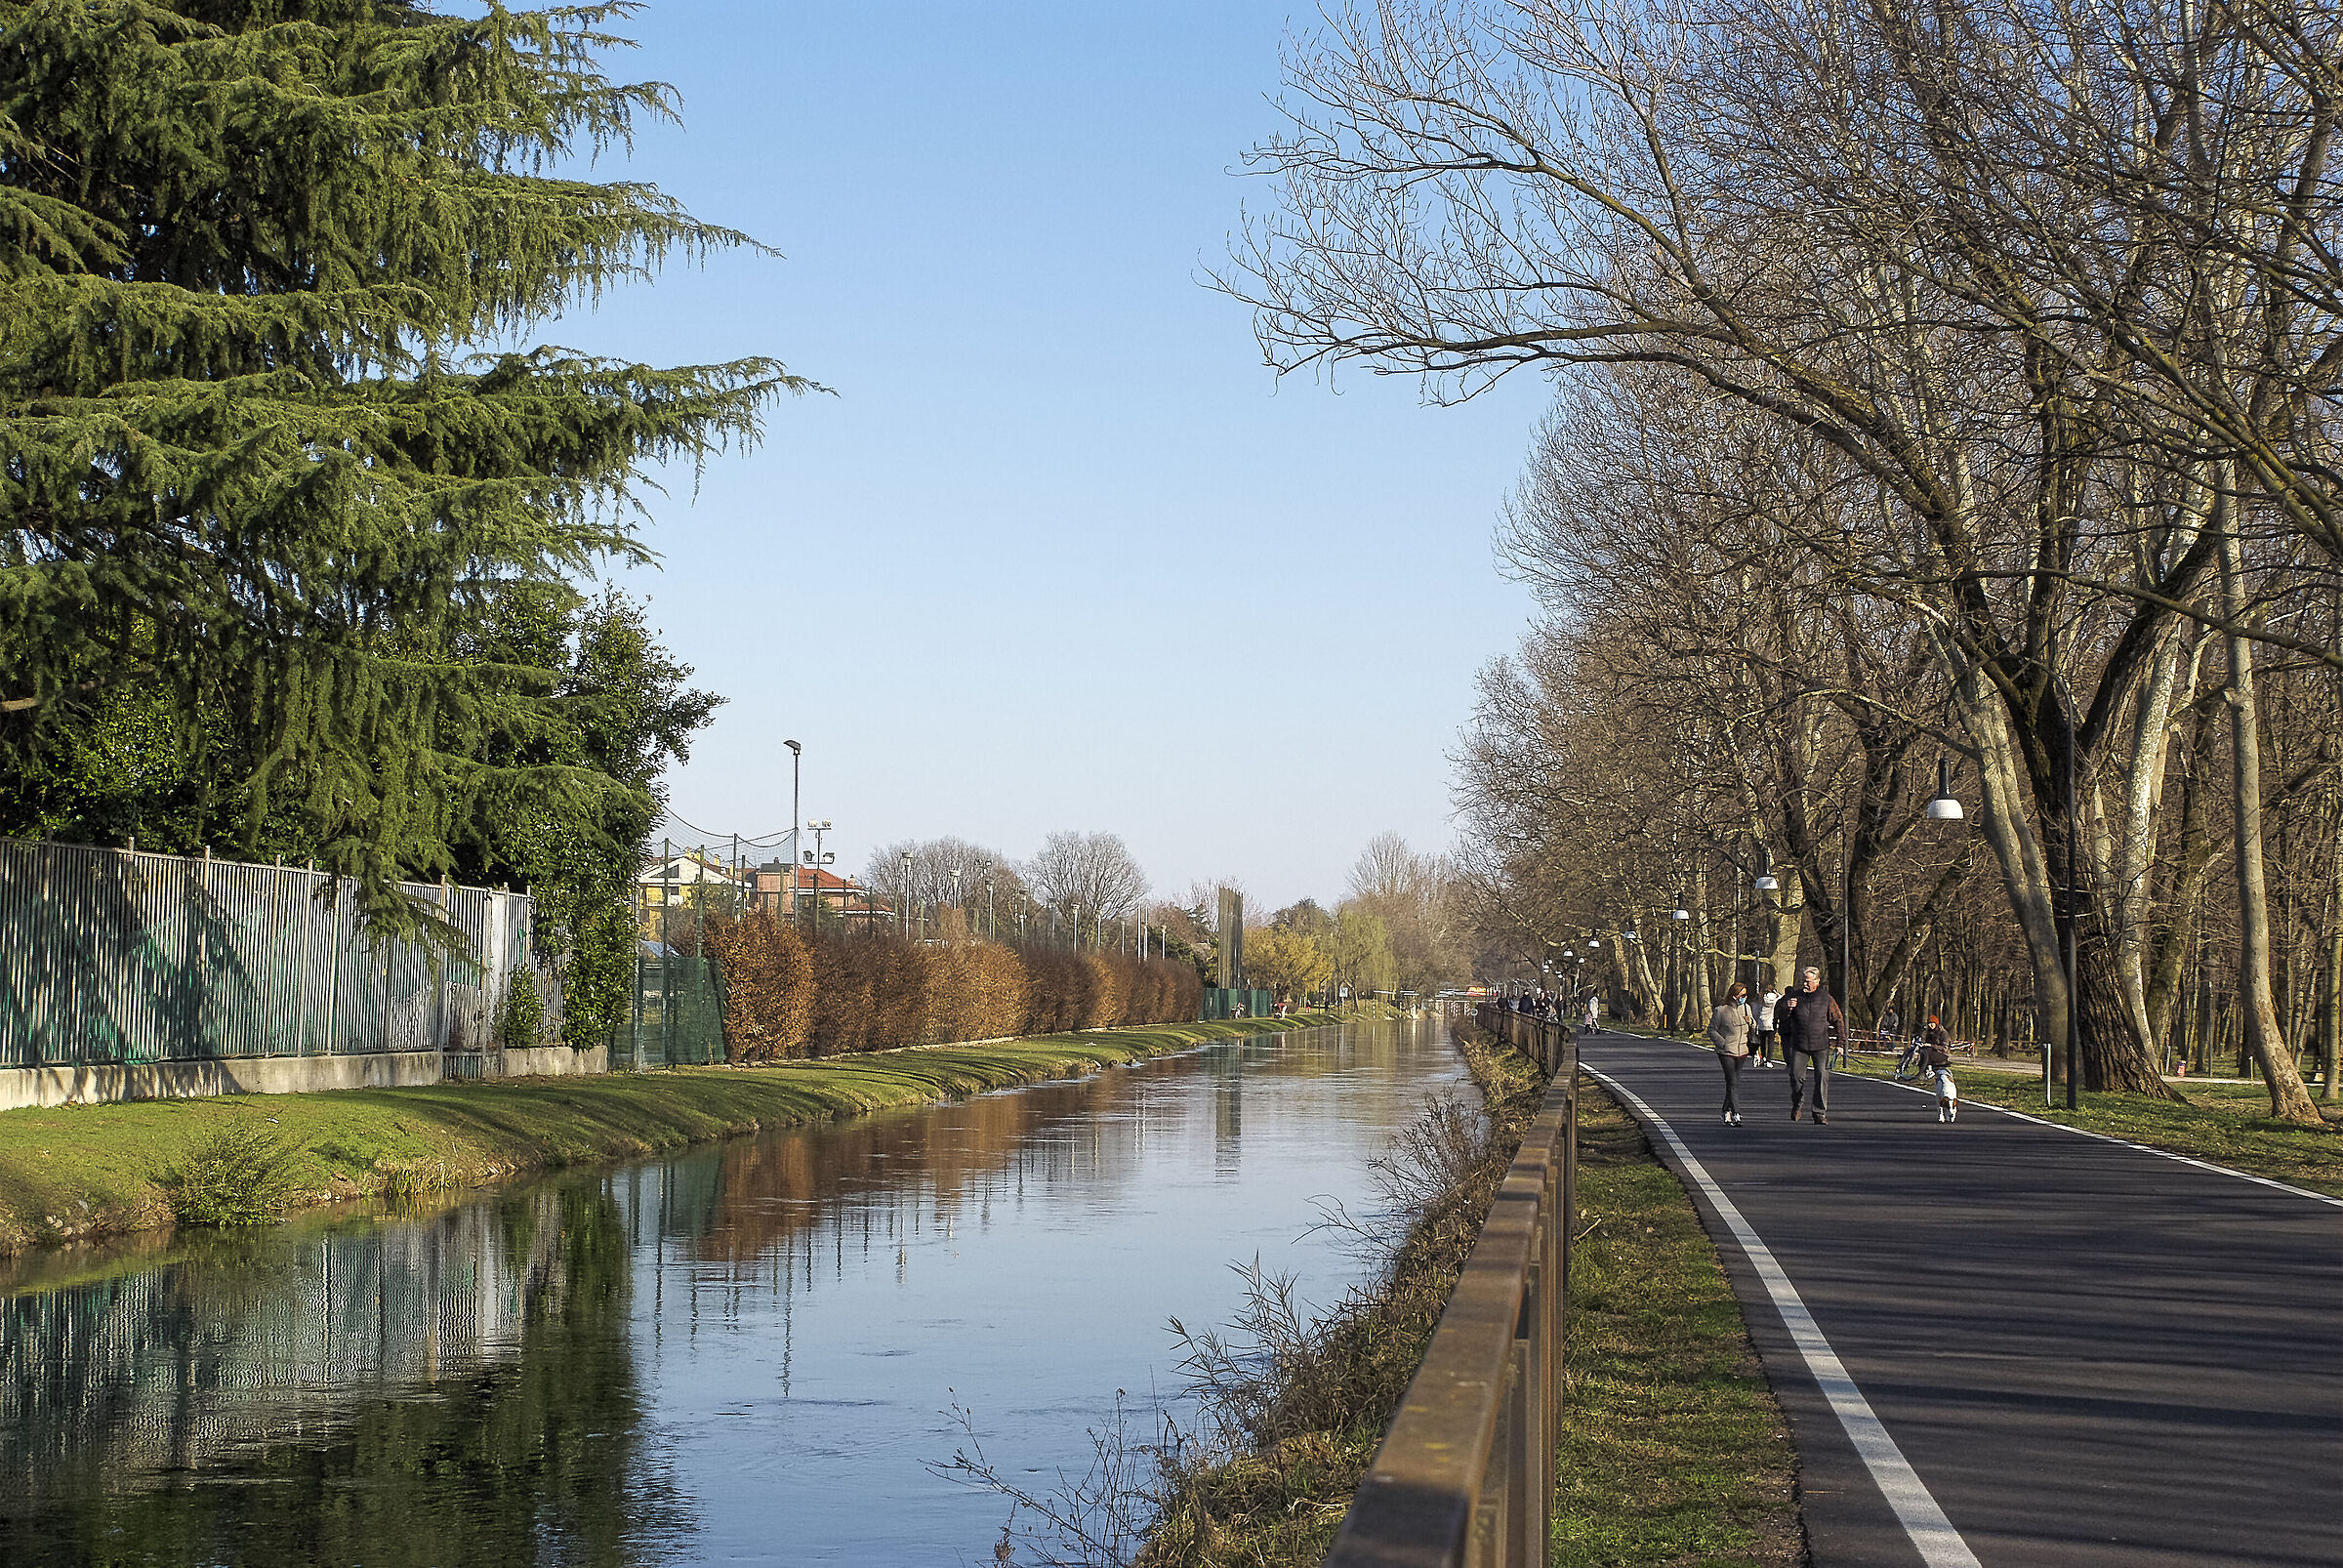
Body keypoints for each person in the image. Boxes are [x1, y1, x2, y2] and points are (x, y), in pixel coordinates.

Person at [1776, 966, 1844, 1123]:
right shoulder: (1794, 996)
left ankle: (1819, 1112)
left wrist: (1841, 1043)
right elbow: (1781, 1016)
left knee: (1822, 1076)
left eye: (1808, 981)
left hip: (1821, 1045)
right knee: (1796, 1077)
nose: (1805, 984)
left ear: (1817, 981)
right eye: (1804, 981)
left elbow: (1838, 1020)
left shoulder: (1826, 998)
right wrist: (1788, 1009)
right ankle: (1797, 1103)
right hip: (1799, 1045)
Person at [1707, 982, 1754, 1124]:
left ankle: (1725, 1110)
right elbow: (1711, 1030)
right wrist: (1723, 1043)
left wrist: (1750, 1022)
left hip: (1742, 1050)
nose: (1744, 998)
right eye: (1742, 995)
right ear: (1734, 996)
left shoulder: (1747, 1008)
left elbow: (1755, 1027)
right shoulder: (1721, 1011)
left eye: (1746, 995)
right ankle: (1736, 1113)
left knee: (1734, 1083)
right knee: (1732, 1081)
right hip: (1726, 1051)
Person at [1914, 1016, 1958, 1122]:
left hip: (1942, 1054)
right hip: (1933, 1051)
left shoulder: (1943, 1033)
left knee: (1928, 1054)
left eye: (1932, 1024)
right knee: (1924, 1052)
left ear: (1936, 1024)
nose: (1930, 1025)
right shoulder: (1929, 1033)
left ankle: (1929, 1070)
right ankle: (1923, 1070)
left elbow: (1945, 1047)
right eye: (1929, 1024)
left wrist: (1931, 1046)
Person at [1754, 987, 1780, 1066]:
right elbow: (1781, 997)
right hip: (1771, 1023)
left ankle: (1764, 1057)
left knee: (1762, 1041)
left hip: (1762, 1022)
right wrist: (1776, 993)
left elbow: (1756, 1011)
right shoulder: (1775, 1000)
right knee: (1770, 1042)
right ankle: (1769, 1060)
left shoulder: (1761, 1000)